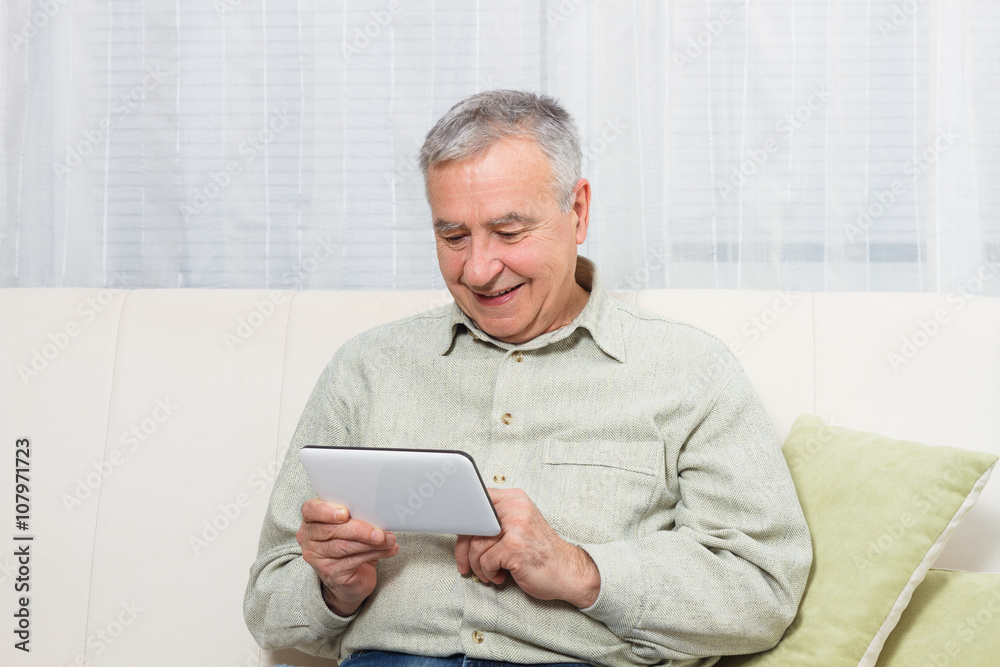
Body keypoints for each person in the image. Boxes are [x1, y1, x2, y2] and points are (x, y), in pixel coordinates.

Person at [244, 89, 812, 667]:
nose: (478, 270)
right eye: (453, 237)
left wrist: (580, 570)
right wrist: (333, 589)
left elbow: (762, 589)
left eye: (509, 233)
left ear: (578, 211)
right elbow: (267, 602)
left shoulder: (690, 370)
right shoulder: (366, 368)